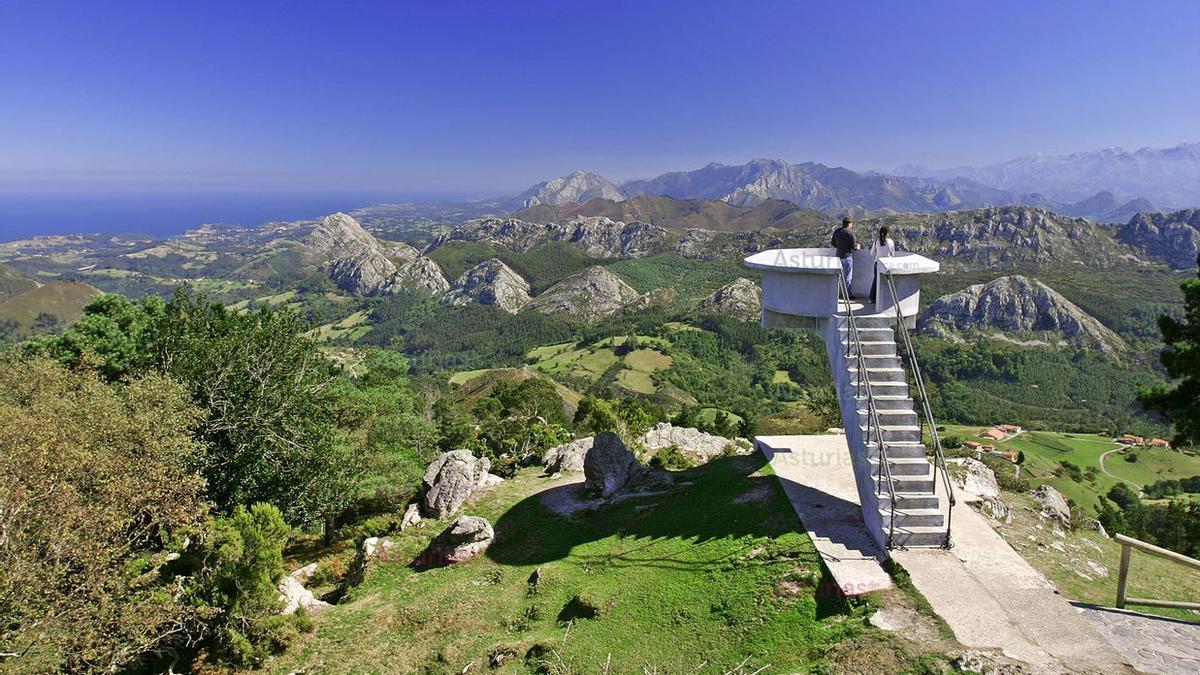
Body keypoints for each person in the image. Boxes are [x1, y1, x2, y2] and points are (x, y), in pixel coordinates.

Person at [831, 217, 860, 296]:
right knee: (848, 276)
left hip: (838, 256)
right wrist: (858, 247)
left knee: (837, 276)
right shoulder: (851, 233)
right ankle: (848, 295)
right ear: (849, 223)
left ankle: (836, 294)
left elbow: (833, 243)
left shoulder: (837, 231)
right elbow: (854, 247)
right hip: (847, 256)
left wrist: (840, 246)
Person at [869, 225, 896, 303]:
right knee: (887, 281)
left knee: (876, 280)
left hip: (877, 263)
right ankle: (885, 299)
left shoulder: (876, 241)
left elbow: (872, 253)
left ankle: (871, 298)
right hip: (887, 264)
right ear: (887, 233)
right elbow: (892, 254)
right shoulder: (890, 242)